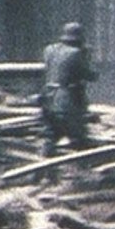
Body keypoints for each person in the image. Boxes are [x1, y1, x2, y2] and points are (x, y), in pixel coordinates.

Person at [39, 21, 98, 156]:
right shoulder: (76, 54)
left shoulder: (49, 49)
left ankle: (45, 167)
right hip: (67, 101)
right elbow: (90, 76)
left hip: (47, 98)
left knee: (50, 136)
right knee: (79, 139)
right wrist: (87, 58)